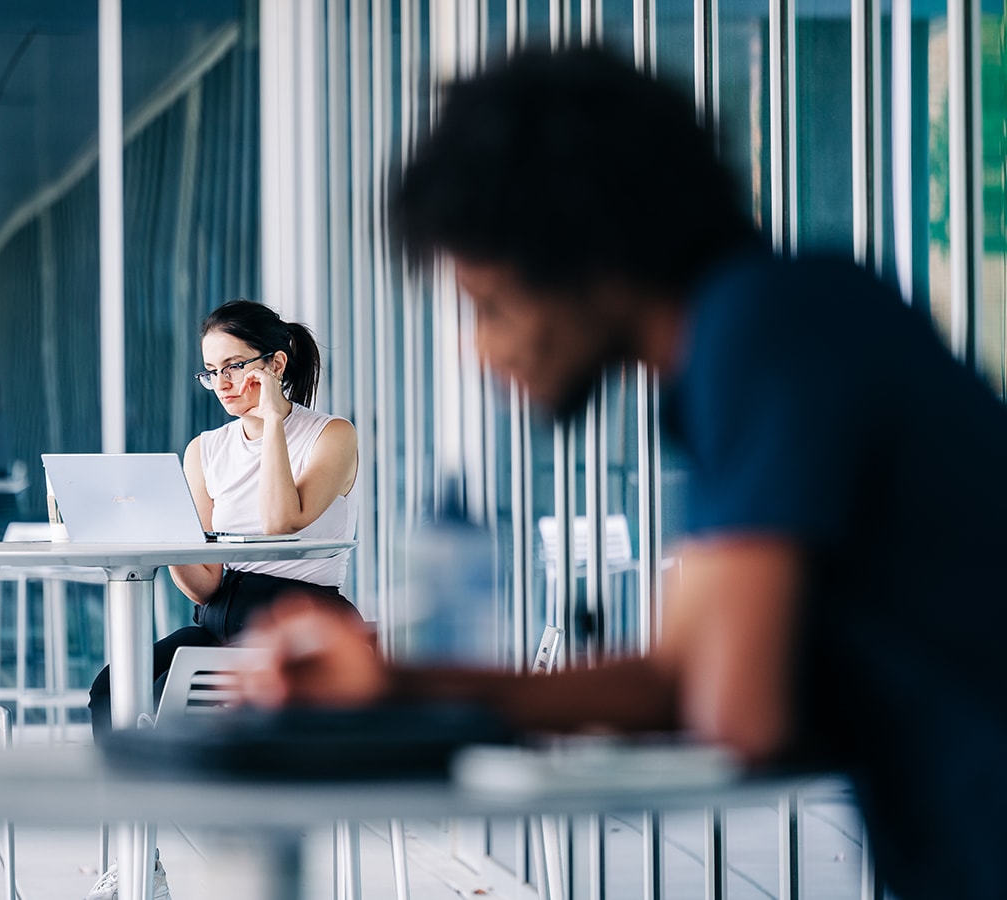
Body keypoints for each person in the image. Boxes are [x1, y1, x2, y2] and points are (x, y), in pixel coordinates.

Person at [238, 47, 1007, 900]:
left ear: (587, 256)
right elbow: (675, 675)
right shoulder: (769, 327)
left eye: (490, 306)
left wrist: (410, 694)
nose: (480, 348)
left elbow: (734, 711)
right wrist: (395, 687)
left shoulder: (762, 334)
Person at [83, 299, 362, 899]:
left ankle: (255, 852)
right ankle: (141, 861)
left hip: (302, 618)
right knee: (115, 687)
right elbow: (206, 581)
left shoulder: (330, 435)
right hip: (221, 615)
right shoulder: (203, 450)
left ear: (276, 364)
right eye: (212, 371)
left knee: (227, 722)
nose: (223, 385)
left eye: (236, 367)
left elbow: (282, 519)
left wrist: (270, 426)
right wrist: (160, 539)